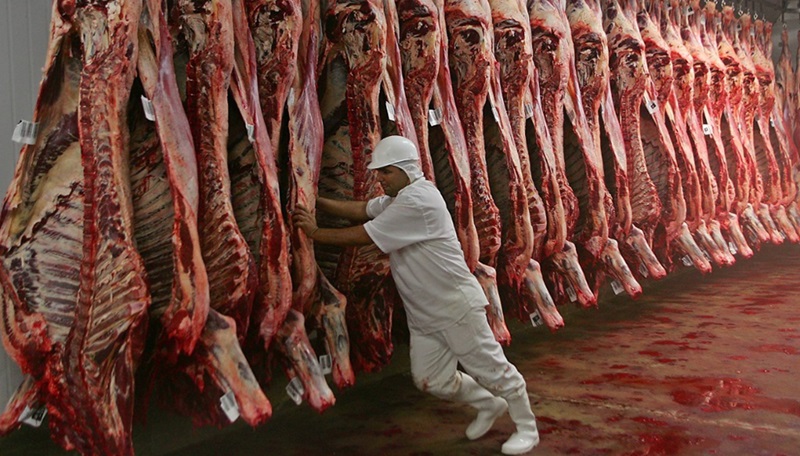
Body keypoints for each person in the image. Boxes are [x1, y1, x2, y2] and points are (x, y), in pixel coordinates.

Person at [292, 136, 539, 455]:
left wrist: (314, 233)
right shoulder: (400, 197)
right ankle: (487, 404)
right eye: (378, 172)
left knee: (494, 371)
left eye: (386, 172)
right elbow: (362, 209)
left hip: (455, 307)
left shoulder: (418, 201)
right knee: (430, 379)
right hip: (425, 314)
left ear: (406, 169)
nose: (380, 178)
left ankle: (527, 428)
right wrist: (315, 201)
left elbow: (364, 235)